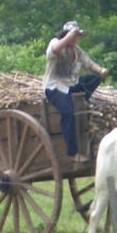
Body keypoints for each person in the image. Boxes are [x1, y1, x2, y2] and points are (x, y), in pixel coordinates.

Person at [43, 19, 108, 161]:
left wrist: (101, 70)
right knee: (68, 113)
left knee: (95, 78)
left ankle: (81, 101)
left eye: (77, 36)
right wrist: (69, 35)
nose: (76, 38)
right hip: (55, 87)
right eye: (74, 35)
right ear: (67, 35)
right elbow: (54, 51)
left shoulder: (78, 51)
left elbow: (89, 64)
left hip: (71, 87)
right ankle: (72, 153)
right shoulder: (55, 43)